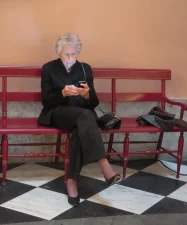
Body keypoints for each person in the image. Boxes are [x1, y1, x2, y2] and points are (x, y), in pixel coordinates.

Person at [37, 33, 121, 206]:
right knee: (85, 117)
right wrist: (62, 93)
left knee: (80, 126)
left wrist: (87, 94)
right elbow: (46, 100)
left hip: (82, 115)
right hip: (58, 112)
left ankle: (71, 181)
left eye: (73, 54)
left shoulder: (85, 68)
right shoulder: (49, 68)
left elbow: (94, 102)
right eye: (66, 54)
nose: (70, 58)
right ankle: (104, 163)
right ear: (59, 52)